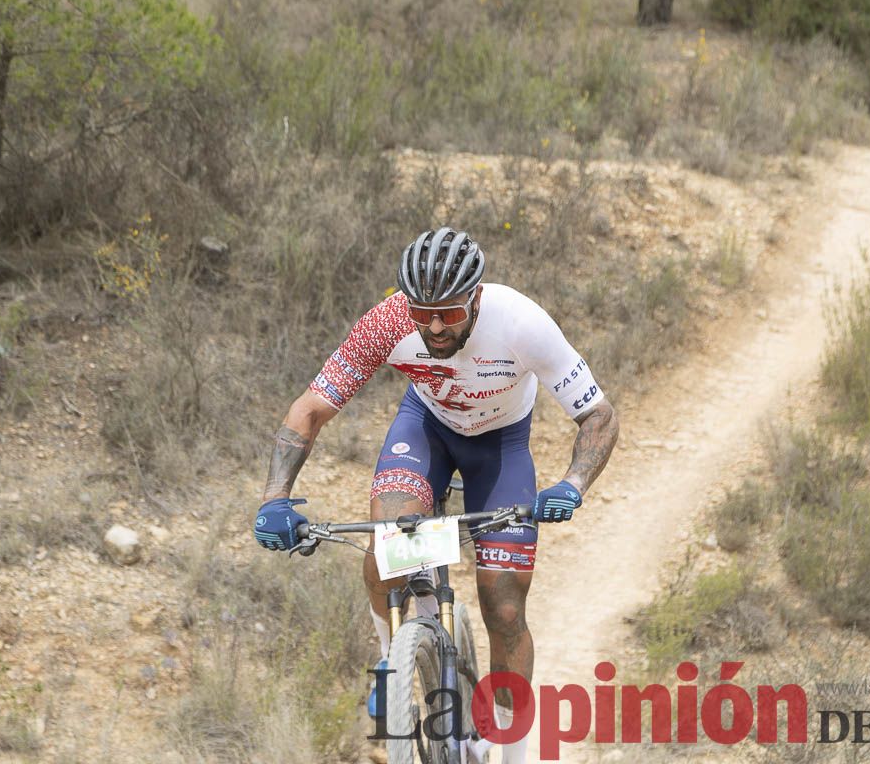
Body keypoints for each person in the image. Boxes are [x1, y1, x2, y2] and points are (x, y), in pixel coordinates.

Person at [254, 227, 619, 763]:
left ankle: (512, 752)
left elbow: (599, 416)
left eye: (448, 312)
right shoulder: (389, 321)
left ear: (476, 296)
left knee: (504, 607)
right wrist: (274, 497)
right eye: (422, 311)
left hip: (500, 447)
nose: (433, 325)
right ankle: (394, 660)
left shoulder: (521, 322)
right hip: (426, 429)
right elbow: (309, 409)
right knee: (388, 548)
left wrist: (573, 483)